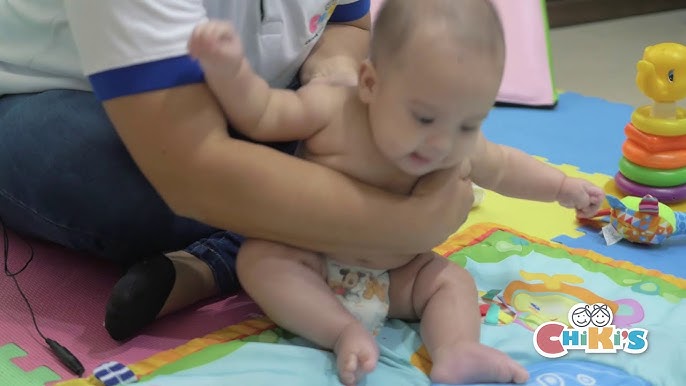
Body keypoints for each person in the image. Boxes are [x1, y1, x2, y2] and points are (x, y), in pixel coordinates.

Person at [0, 1, 477, 342]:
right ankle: (244, 251)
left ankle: (224, 258)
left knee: (381, 134)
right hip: (59, 98)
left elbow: (346, 28)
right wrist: (402, 222)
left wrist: (333, 94)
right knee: (82, 164)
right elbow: (190, 167)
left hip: (254, 109)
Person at [187, 0, 604, 385]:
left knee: (450, 282)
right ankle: (340, 331)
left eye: (467, 124)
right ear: (370, 83)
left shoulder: (454, 142)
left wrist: (562, 187)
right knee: (261, 259)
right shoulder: (331, 108)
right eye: (423, 117)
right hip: (313, 260)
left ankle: (457, 349)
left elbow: (506, 167)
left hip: (399, 276)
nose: (442, 142)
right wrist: (230, 72)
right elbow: (263, 114)